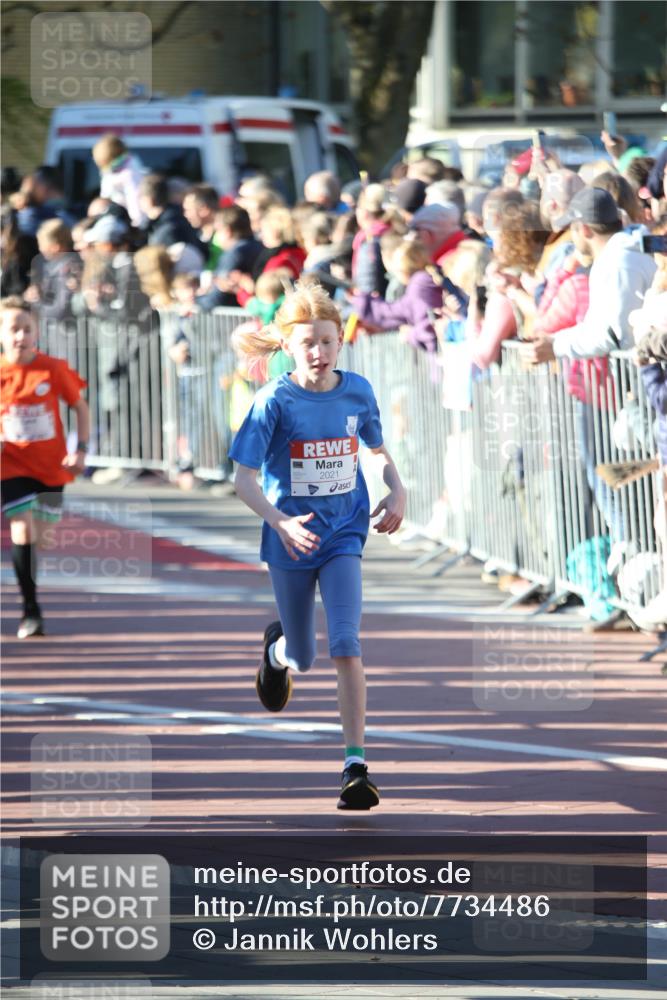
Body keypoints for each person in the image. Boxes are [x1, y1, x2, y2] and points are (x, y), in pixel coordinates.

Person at [229, 282, 406, 810]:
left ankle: (355, 765)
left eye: (328, 342)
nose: (319, 353)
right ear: (288, 345)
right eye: (308, 343)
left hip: (344, 533)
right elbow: (243, 479)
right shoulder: (274, 401)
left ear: (340, 341)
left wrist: (396, 487)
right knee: (304, 658)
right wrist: (279, 521)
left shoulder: (356, 390)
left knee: (346, 644)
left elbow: (374, 451)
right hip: (290, 538)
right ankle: (276, 652)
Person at [0, 296, 89, 638]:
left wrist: (80, 450)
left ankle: (31, 593)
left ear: (36, 331)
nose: (20, 336)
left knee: (43, 537)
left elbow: (81, 408)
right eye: (13, 329)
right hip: (10, 465)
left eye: (26, 329)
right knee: (22, 531)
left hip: (51, 466)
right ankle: (30, 611)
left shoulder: (52, 369)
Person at [92, 134, 145, 227]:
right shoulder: (110, 172)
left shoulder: (130, 173)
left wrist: (137, 226)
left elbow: (135, 204)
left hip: (127, 223)